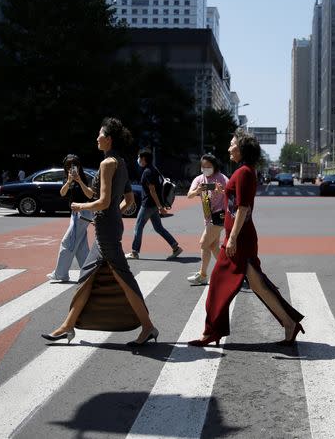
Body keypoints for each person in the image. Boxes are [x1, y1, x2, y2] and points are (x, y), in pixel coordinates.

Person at [42, 118, 159, 346]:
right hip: (108, 228)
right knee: (86, 277)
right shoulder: (121, 162)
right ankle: (67, 326)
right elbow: (129, 201)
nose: (96, 138)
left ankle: (148, 326)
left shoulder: (107, 164)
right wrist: (111, 213)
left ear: (109, 139)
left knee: (124, 278)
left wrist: (81, 207)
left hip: (105, 232)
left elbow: (103, 202)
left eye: (100, 135)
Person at [188, 130, 304, 346]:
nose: (229, 148)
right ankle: (290, 323)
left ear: (241, 149)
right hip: (241, 236)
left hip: (239, 239)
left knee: (218, 285)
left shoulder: (243, 173)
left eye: (232, 144)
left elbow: (243, 207)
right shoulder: (245, 171)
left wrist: (231, 239)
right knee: (258, 284)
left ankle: (211, 331)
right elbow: (237, 206)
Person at [125, 148, 183, 261]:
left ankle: (134, 252)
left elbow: (152, 190)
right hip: (153, 205)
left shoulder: (147, 172)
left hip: (147, 204)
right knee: (158, 228)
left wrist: (160, 207)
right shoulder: (154, 169)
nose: (138, 160)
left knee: (138, 227)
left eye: (139, 157)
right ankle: (175, 247)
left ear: (143, 158)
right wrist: (159, 205)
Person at [46, 155, 94, 282]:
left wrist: (79, 181)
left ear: (78, 166)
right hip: (74, 214)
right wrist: (69, 181)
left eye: (73, 166)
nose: (70, 169)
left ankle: (60, 274)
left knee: (67, 242)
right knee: (80, 247)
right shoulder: (67, 178)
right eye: (67, 166)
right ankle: (89, 273)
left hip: (83, 213)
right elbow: (62, 193)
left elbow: (90, 195)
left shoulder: (86, 177)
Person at [186, 154, 229, 285]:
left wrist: (222, 191)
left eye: (209, 166)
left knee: (204, 243)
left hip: (220, 215)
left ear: (214, 166)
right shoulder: (199, 179)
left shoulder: (221, 178)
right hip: (208, 216)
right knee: (213, 246)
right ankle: (229, 270)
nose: (206, 169)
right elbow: (189, 195)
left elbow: (231, 192)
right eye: (203, 166)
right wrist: (198, 190)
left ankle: (202, 275)